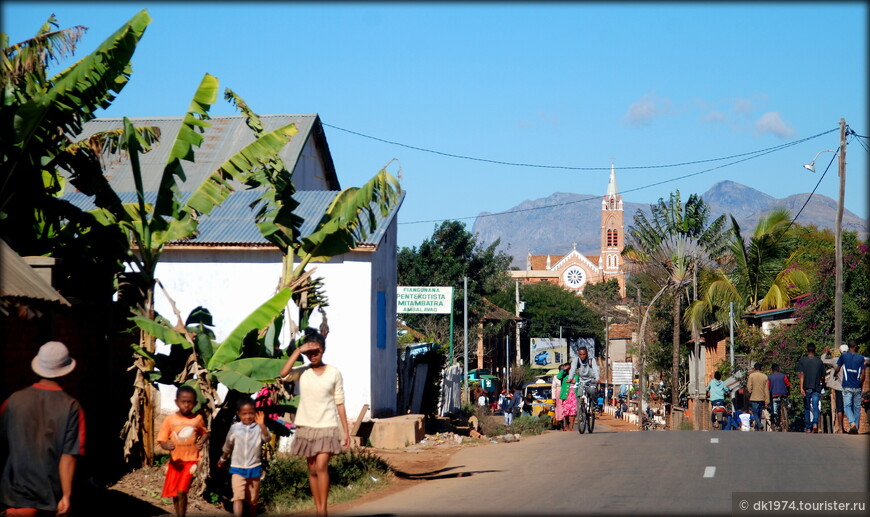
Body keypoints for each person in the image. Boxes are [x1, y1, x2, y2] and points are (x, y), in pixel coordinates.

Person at [0, 341, 85, 517]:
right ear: (66, 370)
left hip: (12, 496)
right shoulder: (71, 406)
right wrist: (67, 495)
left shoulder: (13, 401)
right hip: (48, 498)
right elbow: (69, 455)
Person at [280, 329, 350, 516]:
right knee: (311, 469)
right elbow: (283, 374)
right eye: (309, 353)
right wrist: (297, 351)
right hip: (306, 427)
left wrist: (346, 432)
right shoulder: (303, 372)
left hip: (327, 426)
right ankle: (317, 507)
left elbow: (339, 402)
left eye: (316, 352)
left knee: (321, 466)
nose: (312, 356)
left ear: (323, 350)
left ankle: (323, 510)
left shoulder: (334, 372)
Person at [157, 385, 209, 517]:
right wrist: (165, 445)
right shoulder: (170, 420)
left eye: (190, 402)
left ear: (195, 403)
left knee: (181, 491)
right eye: (183, 401)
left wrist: (201, 441)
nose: (186, 405)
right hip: (175, 462)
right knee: (174, 492)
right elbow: (162, 439)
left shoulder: (197, 419)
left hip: (191, 461)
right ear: (176, 402)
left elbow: (205, 432)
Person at [218, 399, 270, 517]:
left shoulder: (258, 428)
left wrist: (262, 425)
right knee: (238, 497)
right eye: (244, 414)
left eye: (251, 413)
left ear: (255, 413)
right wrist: (223, 458)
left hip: (254, 467)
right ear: (239, 414)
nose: (248, 416)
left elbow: (267, 439)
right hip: (237, 468)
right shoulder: (235, 428)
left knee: (252, 500)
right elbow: (228, 445)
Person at [835, 339, 867, 434]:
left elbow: (838, 368)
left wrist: (835, 374)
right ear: (855, 346)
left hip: (847, 385)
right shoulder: (861, 358)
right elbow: (863, 373)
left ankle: (852, 423)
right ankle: (855, 428)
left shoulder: (843, 357)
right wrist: (860, 384)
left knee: (847, 406)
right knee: (857, 407)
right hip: (857, 386)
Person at [797, 342, 826, 433]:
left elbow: (801, 375)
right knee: (815, 406)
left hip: (807, 388)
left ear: (806, 350)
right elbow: (823, 377)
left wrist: (801, 388)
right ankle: (815, 424)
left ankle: (808, 428)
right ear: (815, 350)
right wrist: (822, 386)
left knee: (807, 408)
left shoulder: (802, 361)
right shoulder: (819, 362)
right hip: (817, 388)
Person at [820, 345, 846, 433]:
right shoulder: (850, 359)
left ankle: (841, 428)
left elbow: (822, 360)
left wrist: (825, 352)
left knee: (840, 407)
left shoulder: (835, 360)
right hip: (850, 386)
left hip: (839, 387)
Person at [745, 363, 770, 431]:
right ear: (761, 368)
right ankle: (758, 427)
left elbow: (749, 387)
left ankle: (759, 424)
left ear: (754, 368)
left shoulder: (751, 376)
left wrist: (749, 393)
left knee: (755, 412)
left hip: (754, 397)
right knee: (759, 412)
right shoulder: (765, 376)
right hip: (762, 397)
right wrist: (767, 399)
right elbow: (766, 389)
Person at [767, 363, 791, 431]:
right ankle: (787, 409)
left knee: (774, 411)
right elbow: (788, 384)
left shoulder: (770, 377)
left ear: (772, 370)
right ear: (778, 369)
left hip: (774, 395)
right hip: (783, 395)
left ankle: (775, 422)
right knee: (787, 403)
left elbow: (768, 387)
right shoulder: (783, 376)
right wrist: (788, 393)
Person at [557, 365, 580, 432]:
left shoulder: (576, 376)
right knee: (566, 412)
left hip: (573, 396)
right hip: (566, 396)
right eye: (568, 369)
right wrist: (563, 369)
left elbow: (578, 383)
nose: (570, 370)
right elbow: (558, 376)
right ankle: (566, 426)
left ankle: (571, 427)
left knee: (572, 412)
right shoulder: (564, 377)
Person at [552, 364, 566, 429]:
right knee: (559, 409)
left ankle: (567, 424)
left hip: (566, 393)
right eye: (561, 369)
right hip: (558, 394)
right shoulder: (555, 377)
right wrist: (553, 398)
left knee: (566, 408)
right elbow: (553, 388)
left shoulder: (567, 376)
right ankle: (561, 424)